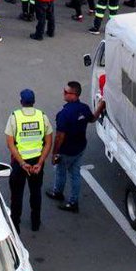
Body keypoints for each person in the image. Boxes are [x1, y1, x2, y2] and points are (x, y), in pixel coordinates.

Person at [48, 80, 103, 213]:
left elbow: (60, 136)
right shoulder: (84, 108)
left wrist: (54, 153)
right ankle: (73, 201)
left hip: (66, 150)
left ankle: (58, 192)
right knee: (75, 174)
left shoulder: (64, 113)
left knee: (61, 171)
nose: (63, 93)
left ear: (73, 95)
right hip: (79, 148)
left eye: (66, 92)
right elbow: (92, 119)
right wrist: (101, 105)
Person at [4, 89, 52, 232]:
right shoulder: (42, 116)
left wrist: (22, 163)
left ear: (21, 102)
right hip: (37, 162)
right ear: (34, 102)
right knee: (36, 192)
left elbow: (10, 143)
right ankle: (35, 223)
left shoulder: (15, 117)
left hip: (20, 164)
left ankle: (15, 226)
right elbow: (48, 142)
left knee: (17, 195)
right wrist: (40, 163)